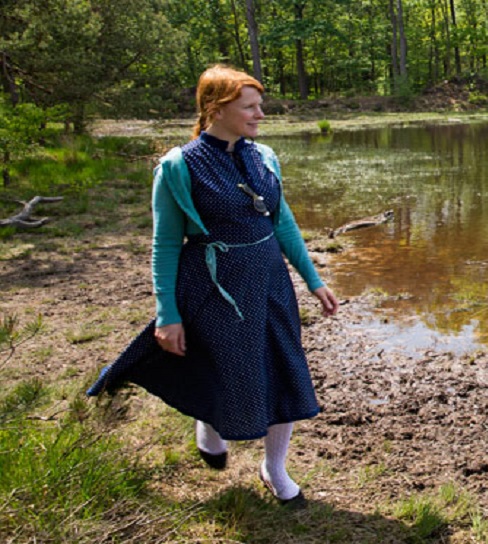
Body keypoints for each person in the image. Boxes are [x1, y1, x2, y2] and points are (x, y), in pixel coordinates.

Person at [88, 64, 339, 507]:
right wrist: (167, 315)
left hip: (270, 283)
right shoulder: (178, 167)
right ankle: (208, 425)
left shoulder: (264, 157)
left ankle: (274, 468)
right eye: (250, 107)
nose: (261, 114)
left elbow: (283, 223)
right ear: (215, 109)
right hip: (214, 287)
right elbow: (166, 245)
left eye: (260, 105)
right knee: (224, 368)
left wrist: (313, 280)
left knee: (285, 371)